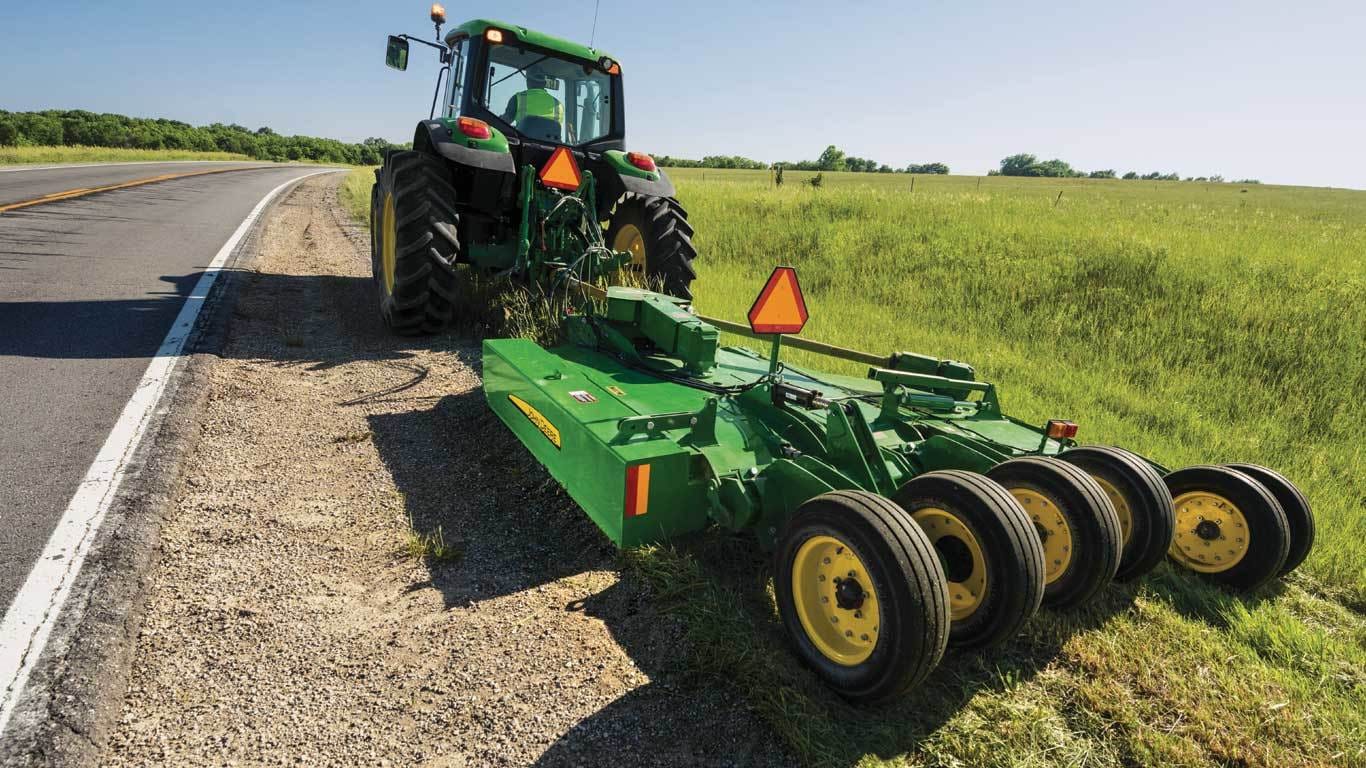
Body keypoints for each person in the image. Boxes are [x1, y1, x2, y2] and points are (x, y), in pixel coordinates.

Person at [501, 70, 564, 138]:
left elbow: (503, 124)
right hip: (551, 147)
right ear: (545, 83)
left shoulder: (518, 98)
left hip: (524, 144)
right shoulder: (558, 104)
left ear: (528, 81)